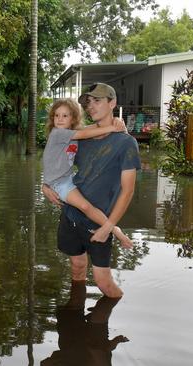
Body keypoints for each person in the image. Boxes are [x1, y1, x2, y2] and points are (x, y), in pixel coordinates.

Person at [42, 83, 141, 298]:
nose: (91, 106)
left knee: (104, 283)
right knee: (77, 268)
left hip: (99, 222)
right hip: (70, 214)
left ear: (112, 103)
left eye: (97, 100)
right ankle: (74, 316)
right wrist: (45, 185)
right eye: (88, 102)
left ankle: (109, 319)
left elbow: (128, 191)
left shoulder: (126, 143)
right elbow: (57, 162)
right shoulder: (80, 137)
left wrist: (110, 226)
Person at [42, 98, 133, 248]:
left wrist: (114, 121)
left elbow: (89, 128)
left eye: (65, 116)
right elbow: (85, 134)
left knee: (83, 205)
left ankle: (94, 227)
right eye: (56, 116)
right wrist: (112, 128)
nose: (59, 119)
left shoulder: (70, 133)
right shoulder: (57, 133)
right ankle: (115, 230)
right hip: (58, 183)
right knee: (85, 207)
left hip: (67, 178)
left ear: (73, 118)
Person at [40, 280, 128, 365]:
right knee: (103, 308)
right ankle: (103, 282)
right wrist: (116, 341)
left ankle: (82, 272)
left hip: (72, 342)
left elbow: (45, 362)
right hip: (94, 344)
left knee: (77, 300)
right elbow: (104, 349)